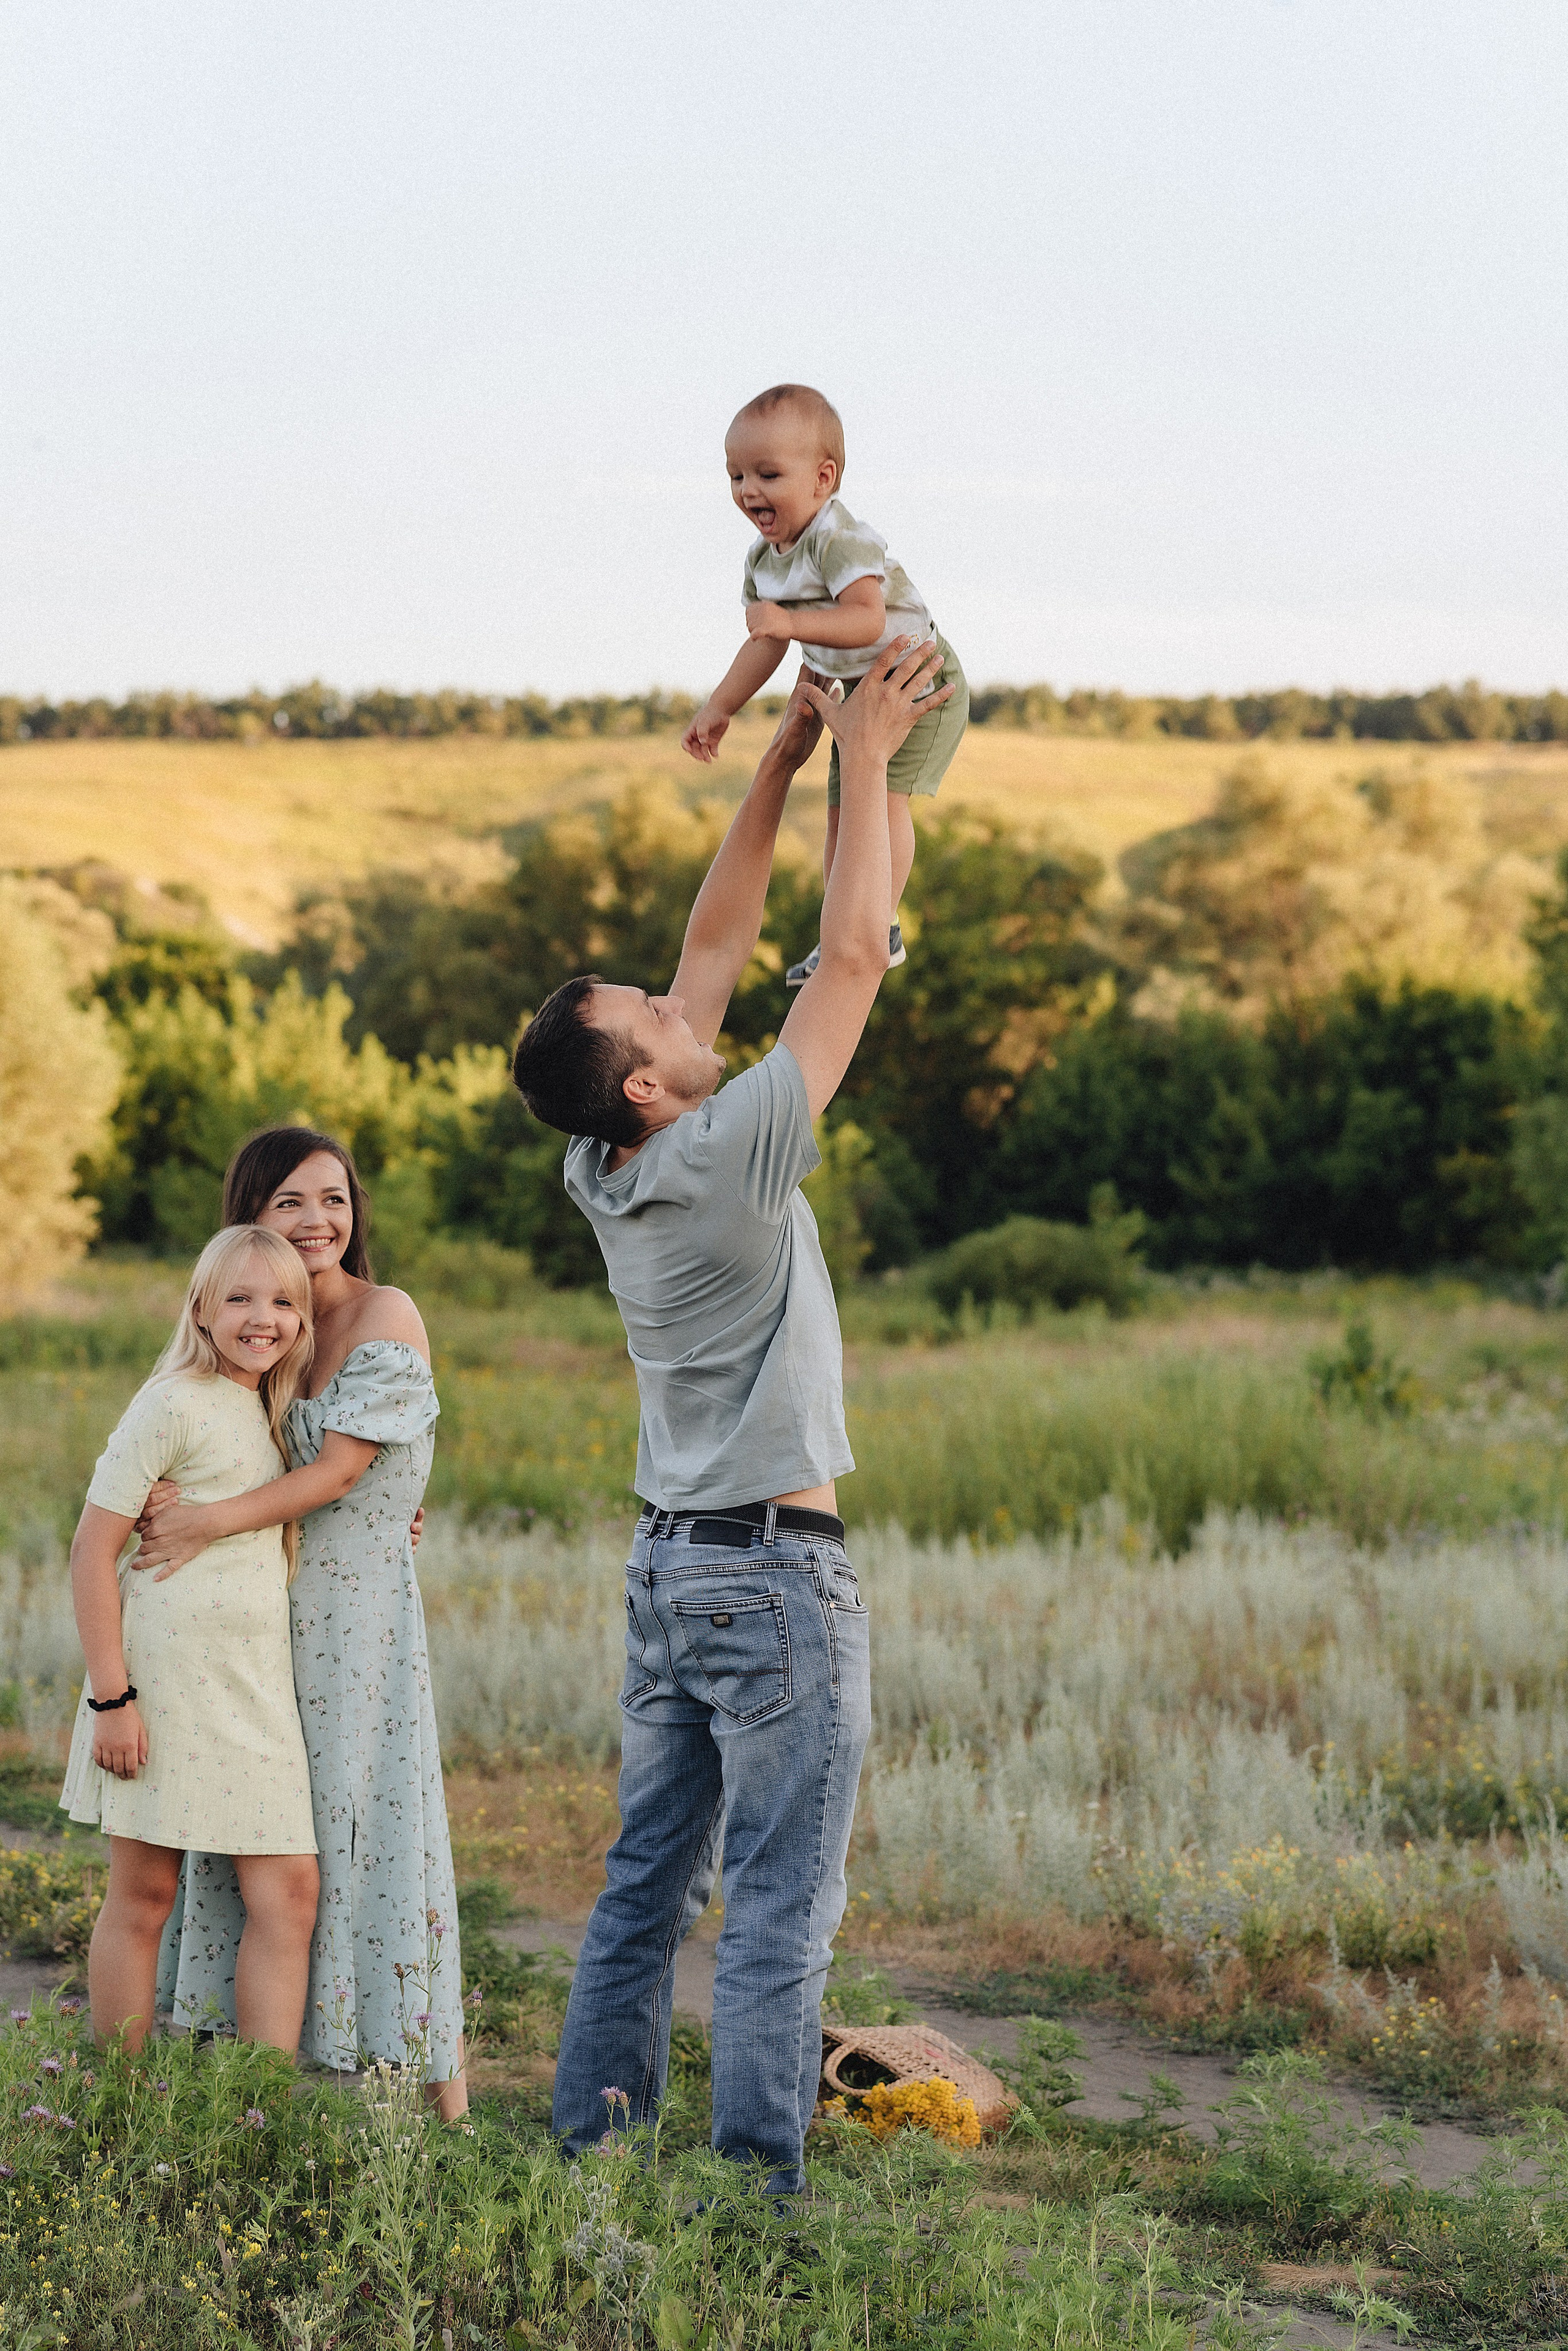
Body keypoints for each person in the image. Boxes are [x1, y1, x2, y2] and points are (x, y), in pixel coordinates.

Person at [513, 638, 955, 2196]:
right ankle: (759, 2198)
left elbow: (715, 945)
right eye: (651, 1013)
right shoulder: (729, 1150)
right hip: (770, 1576)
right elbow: (841, 966)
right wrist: (867, 756)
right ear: (646, 1082)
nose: (677, 995)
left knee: (646, 1882)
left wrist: (772, 761)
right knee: (779, 1902)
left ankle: (597, 2155)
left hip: (668, 1575)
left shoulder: (610, 1160)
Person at [134, 1129, 468, 2118]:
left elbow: (341, 1471)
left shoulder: (385, 1311)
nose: (319, 1219)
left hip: (359, 1633)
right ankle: (243, 2081)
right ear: (249, 1214)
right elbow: (195, 1441)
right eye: (290, 1201)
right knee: (259, 1847)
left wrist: (203, 1519)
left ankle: (439, 2102)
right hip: (255, 1624)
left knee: (381, 1836)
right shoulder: (261, 1327)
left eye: (334, 1197)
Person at [59, 1226, 320, 2055]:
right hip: (159, 1684)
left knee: (290, 1892)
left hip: (252, 1688)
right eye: (239, 1297)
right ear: (202, 1309)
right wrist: (113, 1697)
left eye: (282, 1300)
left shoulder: (276, 1411)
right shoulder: (171, 1398)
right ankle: (118, 2111)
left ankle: (258, 2111)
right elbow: (90, 1550)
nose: (262, 1317)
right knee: (143, 1895)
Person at [680, 382, 969, 986]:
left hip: (914, 677)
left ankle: (877, 927)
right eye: (735, 476)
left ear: (822, 477)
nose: (748, 490)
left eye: (767, 474)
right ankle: (840, 932)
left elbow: (865, 618)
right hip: (861, 691)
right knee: (842, 814)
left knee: (883, 800)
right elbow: (767, 643)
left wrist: (789, 621)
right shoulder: (765, 559)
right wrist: (720, 705)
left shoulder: (841, 539)